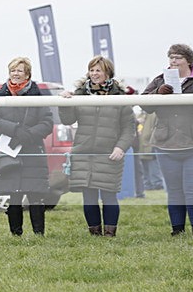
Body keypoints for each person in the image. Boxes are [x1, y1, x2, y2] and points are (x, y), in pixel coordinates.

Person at [58, 56, 136, 236]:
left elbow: (128, 128)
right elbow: (67, 120)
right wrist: (65, 103)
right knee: (89, 196)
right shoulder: (80, 93)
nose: (94, 74)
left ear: (107, 72)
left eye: (98, 70)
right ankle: (94, 233)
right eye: (92, 70)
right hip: (84, 152)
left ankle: (109, 234)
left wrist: (120, 147)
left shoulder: (119, 96)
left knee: (109, 195)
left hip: (109, 154)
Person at [141, 44, 193, 235]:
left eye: (177, 57)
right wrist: (158, 94)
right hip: (166, 144)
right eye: (171, 57)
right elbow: (144, 104)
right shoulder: (160, 80)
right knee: (174, 191)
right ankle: (177, 230)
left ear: (189, 60)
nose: (173, 61)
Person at [0, 57, 53, 236]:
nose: (15, 74)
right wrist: (15, 130)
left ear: (27, 74)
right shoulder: (1, 94)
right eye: (12, 70)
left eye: (19, 70)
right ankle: (16, 234)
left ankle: (39, 234)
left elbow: (47, 122)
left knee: (35, 195)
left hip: (32, 151)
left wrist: (28, 135)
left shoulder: (38, 95)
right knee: (13, 195)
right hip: (10, 152)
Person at [138, 111, 164, 190]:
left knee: (153, 165)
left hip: (150, 145)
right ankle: (148, 184)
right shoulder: (141, 114)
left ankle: (157, 184)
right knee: (144, 165)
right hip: (142, 146)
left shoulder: (153, 114)